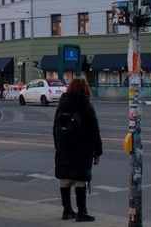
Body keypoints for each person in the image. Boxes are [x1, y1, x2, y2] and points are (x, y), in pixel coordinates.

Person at [54, 77, 102, 222]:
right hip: (82, 148)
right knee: (80, 179)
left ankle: (67, 210)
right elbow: (95, 131)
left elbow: (55, 128)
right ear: (85, 89)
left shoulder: (62, 104)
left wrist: (58, 145)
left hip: (63, 146)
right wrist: (98, 151)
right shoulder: (86, 106)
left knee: (65, 178)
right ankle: (82, 211)